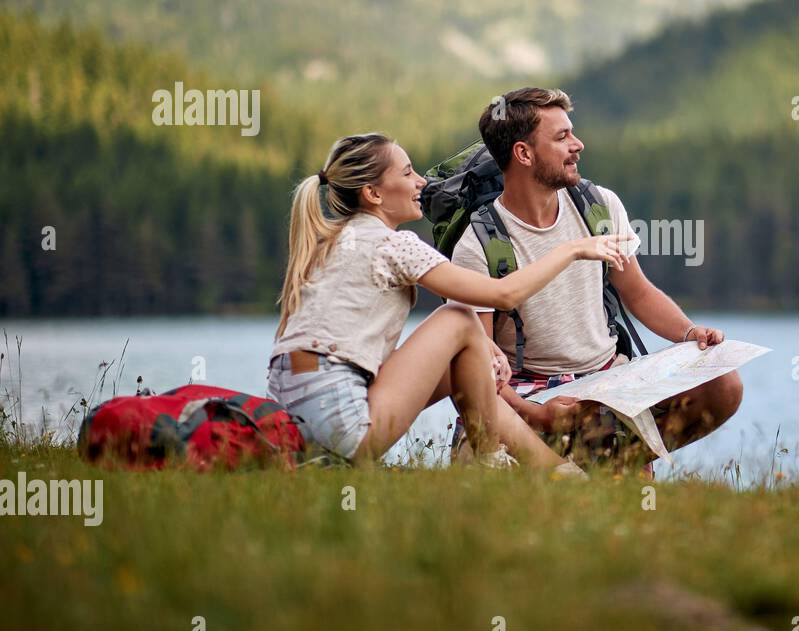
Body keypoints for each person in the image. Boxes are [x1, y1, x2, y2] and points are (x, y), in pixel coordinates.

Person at [266, 132, 629, 471]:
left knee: (461, 355)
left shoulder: (331, 243)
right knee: (457, 317)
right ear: (373, 194)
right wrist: (574, 249)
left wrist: (480, 352)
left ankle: (545, 468)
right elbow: (504, 293)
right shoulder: (393, 244)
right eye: (407, 173)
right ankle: (503, 461)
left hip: (296, 424)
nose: (421, 182)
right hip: (344, 423)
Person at [450, 88, 742, 470]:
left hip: (607, 380)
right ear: (523, 153)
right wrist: (535, 414)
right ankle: (589, 462)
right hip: (527, 394)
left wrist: (690, 334)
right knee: (487, 471)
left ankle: (607, 461)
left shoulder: (599, 205)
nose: (578, 145)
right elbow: (477, 367)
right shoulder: (479, 244)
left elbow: (637, 292)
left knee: (724, 385)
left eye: (573, 132)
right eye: (562, 137)